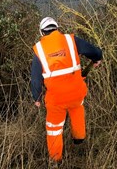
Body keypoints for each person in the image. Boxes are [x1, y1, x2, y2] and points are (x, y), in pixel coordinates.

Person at [31, 16, 103, 164]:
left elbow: (35, 78)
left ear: (41, 32)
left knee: (54, 128)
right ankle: (79, 140)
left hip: (56, 98)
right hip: (77, 92)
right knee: (77, 110)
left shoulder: (39, 49)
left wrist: (37, 98)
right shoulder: (71, 40)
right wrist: (97, 58)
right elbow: (93, 50)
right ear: (57, 28)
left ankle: (56, 159)